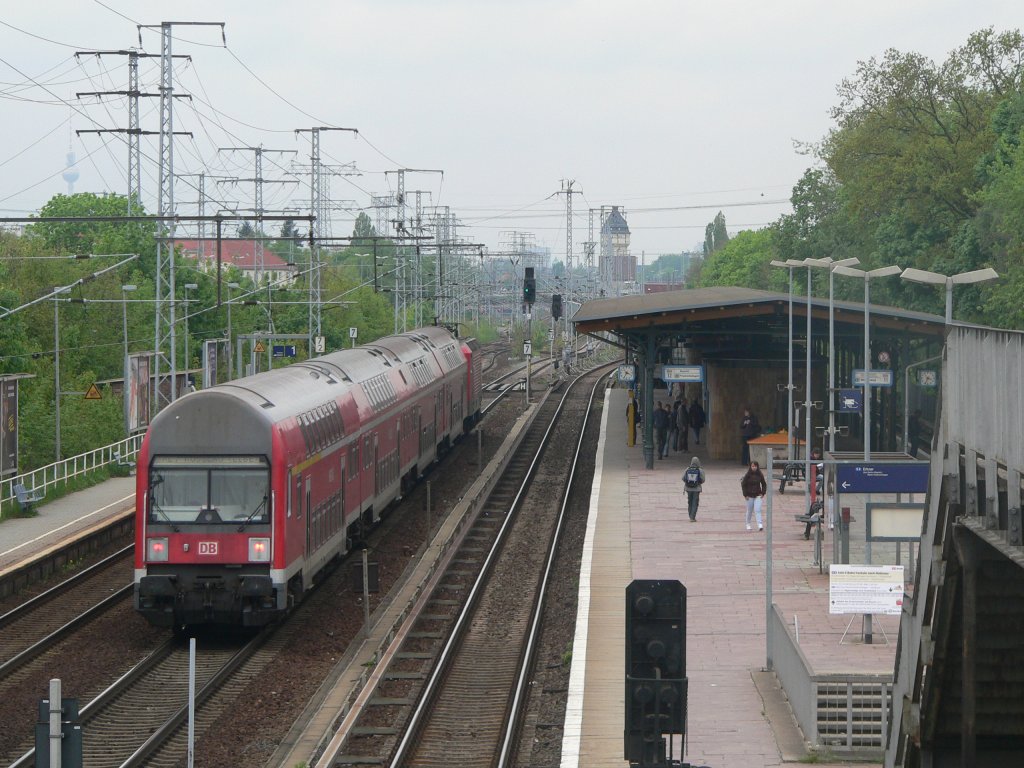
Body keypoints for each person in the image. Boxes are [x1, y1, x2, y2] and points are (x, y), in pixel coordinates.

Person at [741, 460, 767, 531]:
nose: (754, 467)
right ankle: (748, 524)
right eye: (752, 466)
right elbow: (743, 485)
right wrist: (745, 494)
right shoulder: (747, 475)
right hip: (749, 496)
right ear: (750, 467)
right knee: (749, 510)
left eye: (755, 466)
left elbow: (764, 484)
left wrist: (763, 493)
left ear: (757, 467)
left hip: (758, 495)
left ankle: (760, 524)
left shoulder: (760, 474)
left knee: (757, 510)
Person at [682, 456, 705, 521]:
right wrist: (697, 482)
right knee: (695, 502)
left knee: (690, 502)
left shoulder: (687, 469)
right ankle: (692, 517)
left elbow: (683, 478)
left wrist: (688, 483)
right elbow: (703, 480)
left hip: (688, 489)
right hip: (696, 489)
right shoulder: (700, 470)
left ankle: (690, 515)